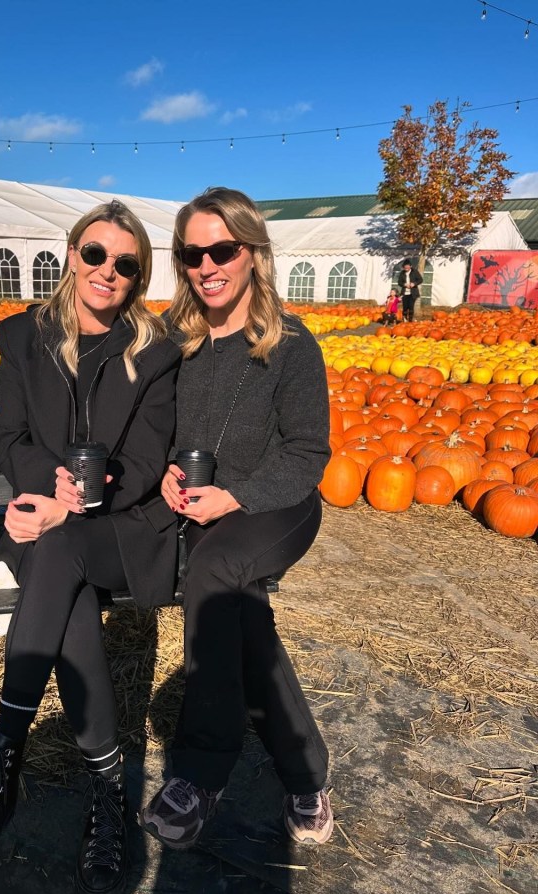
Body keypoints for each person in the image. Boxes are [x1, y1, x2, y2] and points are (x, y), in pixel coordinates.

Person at [0, 200, 181, 894]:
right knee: (58, 572)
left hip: (124, 529)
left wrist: (74, 504)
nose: (108, 272)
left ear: (138, 273)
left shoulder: (154, 348)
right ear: (72, 255)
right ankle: (106, 792)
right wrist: (43, 490)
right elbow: (10, 437)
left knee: (61, 548)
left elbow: (149, 457)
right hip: (45, 522)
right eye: (95, 254)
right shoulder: (23, 336)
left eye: (126, 263)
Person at [140, 187, 334, 849]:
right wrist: (165, 466)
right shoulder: (176, 339)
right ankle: (305, 775)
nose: (206, 264)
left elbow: (308, 452)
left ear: (253, 252)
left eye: (221, 249)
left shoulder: (291, 344)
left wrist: (237, 496)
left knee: (218, 570)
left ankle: (200, 771)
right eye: (192, 253)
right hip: (198, 506)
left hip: (273, 505)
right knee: (244, 614)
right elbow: (156, 427)